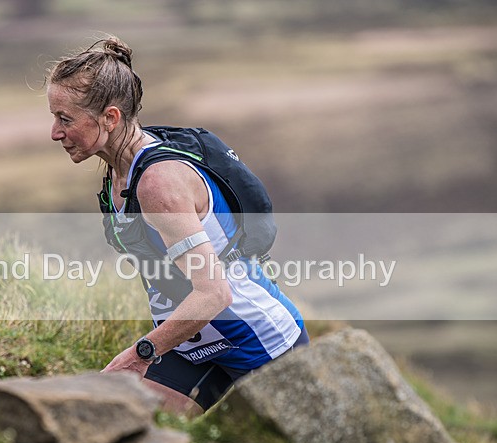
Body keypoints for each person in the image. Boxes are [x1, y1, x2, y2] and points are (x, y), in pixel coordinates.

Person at [46, 36, 308, 416]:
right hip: (192, 345)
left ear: (110, 118)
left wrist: (140, 353)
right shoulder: (119, 172)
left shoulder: (158, 184)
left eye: (65, 119)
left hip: (261, 344)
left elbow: (214, 294)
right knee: (116, 420)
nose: (55, 132)